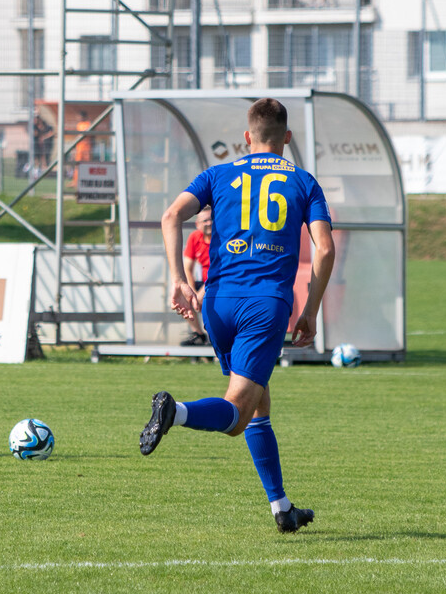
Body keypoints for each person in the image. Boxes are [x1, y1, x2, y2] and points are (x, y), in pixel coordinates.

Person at [140, 98, 335, 534]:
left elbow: (171, 216)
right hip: (264, 306)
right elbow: (324, 248)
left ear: (246, 139)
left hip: (218, 303)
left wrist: (178, 279)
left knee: (259, 400)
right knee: (237, 413)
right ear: (287, 138)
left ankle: (282, 508)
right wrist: (310, 311)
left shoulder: (218, 174)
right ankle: (177, 413)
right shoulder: (304, 182)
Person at [179, 206, 212, 346]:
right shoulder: (195, 237)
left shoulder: (222, 238)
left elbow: (219, 270)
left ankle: (215, 337)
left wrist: (201, 293)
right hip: (202, 285)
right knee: (181, 294)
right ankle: (199, 334)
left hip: (220, 283)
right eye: (205, 221)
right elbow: (187, 268)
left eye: (211, 219)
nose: (209, 223)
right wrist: (191, 292)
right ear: (197, 224)